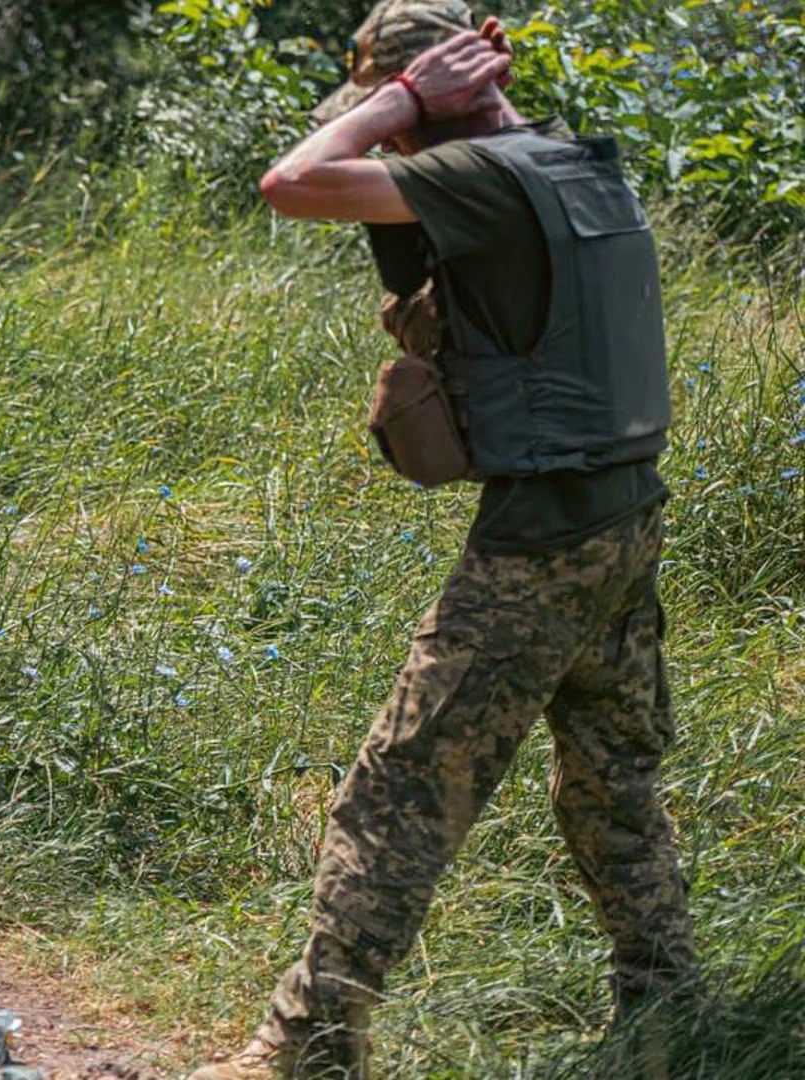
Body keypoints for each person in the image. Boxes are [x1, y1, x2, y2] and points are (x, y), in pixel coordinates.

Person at [191, 3, 699, 1077]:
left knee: (400, 789)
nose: (384, 140)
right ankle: (670, 1004)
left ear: (430, 97)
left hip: (545, 539)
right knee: (611, 781)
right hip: (623, 517)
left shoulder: (477, 172)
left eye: (391, 118)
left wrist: (397, 104)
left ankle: (306, 1050)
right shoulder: (569, 162)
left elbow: (288, 186)